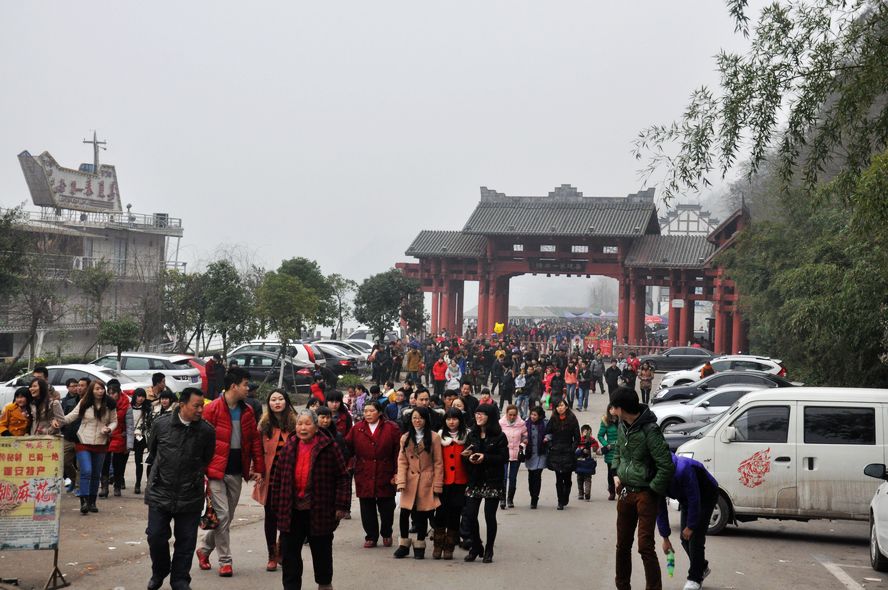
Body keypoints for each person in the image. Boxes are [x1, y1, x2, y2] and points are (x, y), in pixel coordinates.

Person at [196, 367, 266, 577]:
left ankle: (204, 549)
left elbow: (254, 441)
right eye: (245, 384)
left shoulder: (248, 410)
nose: (248, 388)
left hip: (236, 470)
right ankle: (225, 562)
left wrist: (258, 468)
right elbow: (200, 440)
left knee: (226, 517)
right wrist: (202, 468)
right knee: (223, 515)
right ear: (234, 386)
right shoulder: (212, 409)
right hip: (215, 471)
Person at [270, 410, 351, 590]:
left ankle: (324, 584)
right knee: (290, 555)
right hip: (291, 510)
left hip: (320, 508)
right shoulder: (289, 447)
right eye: (299, 424)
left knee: (322, 551)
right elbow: (278, 478)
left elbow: (343, 477)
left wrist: (341, 505)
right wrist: (276, 505)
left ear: (316, 427)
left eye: (307, 424)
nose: (303, 428)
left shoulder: (329, 446)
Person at [144, 387, 215, 590]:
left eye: (202, 406)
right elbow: (153, 450)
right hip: (160, 490)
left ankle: (180, 580)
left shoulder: (206, 431)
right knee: (156, 536)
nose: (200, 410)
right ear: (182, 405)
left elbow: (206, 458)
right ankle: (160, 571)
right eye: (196, 406)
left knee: (186, 541)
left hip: (190, 493)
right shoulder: (161, 424)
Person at [611, 386, 675, 590]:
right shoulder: (622, 425)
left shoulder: (650, 430)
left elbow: (666, 465)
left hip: (645, 494)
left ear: (621, 408)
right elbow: (618, 450)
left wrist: (652, 490)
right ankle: (622, 586)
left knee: (645, 547)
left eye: (614, 406)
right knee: (622, 545)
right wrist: (616, 472)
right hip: (625, 491)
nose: (611, 410)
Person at [657, 453, 719, 590]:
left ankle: (695, 579)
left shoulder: (683, 469)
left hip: (705, 495)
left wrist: (691, 526)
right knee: (684, 538)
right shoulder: (654, 477)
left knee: (695, 537)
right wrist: (665, 538)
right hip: (685, 498)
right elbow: (660, 509)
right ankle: (701, 567)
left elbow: (694, 499)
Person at [252, 389, 298, 572]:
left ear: (286, 401)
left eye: (280, 399)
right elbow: (256, 451)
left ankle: (281, 548)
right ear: (268, 403)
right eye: (273, 400)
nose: (277, 402)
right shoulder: (263, 426)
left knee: (288, 516)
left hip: (290, 478)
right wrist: (255, 470)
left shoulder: (295, 424)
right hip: (270, 478)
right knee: (270, 518)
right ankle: (272, 554)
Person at [346, 400, 401, 549]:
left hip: (385, 469)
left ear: (380, 412)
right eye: (366, 411)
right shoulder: (357, 428)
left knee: (387, 505)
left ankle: (386, 532)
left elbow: (398, 452)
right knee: (366, 505)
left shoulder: (391, 428)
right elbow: (347, 448)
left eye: (372, 411)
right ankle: (371, 536)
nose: (368, 414)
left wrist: (397, 472)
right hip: (364, 470)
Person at [58, 380, 117, 514]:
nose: (100, 391)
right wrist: (59, 421)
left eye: (102, 389)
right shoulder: (84, 402)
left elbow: (114, 421)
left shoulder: (110, 404)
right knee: (86, 471)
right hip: (83, 441)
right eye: (97, 389)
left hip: (101, 442)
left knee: (96, 474)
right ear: (91, 390)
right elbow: (71, 417)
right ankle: (83, 501)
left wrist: (109, 429)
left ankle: (92, 501)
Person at [394, 406, 444, 559]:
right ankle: (403, 545)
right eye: (414, 418)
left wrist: (437, 484)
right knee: (404, 513)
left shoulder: (434, 437)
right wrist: (401, 481)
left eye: (420, 418)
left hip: (426, 479)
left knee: (422, 513)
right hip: (409, 479)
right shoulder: (405, 437)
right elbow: (402, 461)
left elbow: (438, 463)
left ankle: (420, 544)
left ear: (426, 419)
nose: (417, 421)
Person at [462, 404, 508, 563]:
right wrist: (467, 457)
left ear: (490, 417)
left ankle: (489, 549)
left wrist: (485, 457)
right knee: (470, 515)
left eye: (482, 414)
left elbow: (503, 458)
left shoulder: (499, 436)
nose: (478, 416)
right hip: (475, 479)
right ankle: (476, 546)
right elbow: (466, 455)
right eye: (477, 414)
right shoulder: (472, 435)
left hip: (492, 481)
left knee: (490, 516)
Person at [433, 408, 468, 560]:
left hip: (461, 481)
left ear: (460, 420)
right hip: (443, 481)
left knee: (455, 514)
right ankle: (438, 544)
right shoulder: (439, 437)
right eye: (448, 419)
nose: (451, 422)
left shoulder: (467, 436)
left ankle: (449, 546)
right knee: (440, 513)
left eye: (454, 419)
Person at [545, 398, 580, 510]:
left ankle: (566, 496)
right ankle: (560, 501)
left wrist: (572, 449)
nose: (560, 408)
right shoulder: (553, 419)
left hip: (568, 451)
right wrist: (550, 445)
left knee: (567, 478)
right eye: (558, 406)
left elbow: (577, 437)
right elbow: (547, 433)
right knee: (559, 478)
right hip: (556, 451)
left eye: (562, 405)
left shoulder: (572, 419)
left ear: (566, 407)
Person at [107, 381, 134, 497]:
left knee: (119, 464)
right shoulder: (104, 404)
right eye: (109, 393)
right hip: (107, 435)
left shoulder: (126, 405)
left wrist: (129, 445)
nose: (111, 395)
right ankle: (105, 486)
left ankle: (117, 485)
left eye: (113, 393)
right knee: (105, 463)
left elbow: (130, 426)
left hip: (121, 437)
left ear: (118, 393)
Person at [498, 405, 527, 510]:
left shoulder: (521, 424)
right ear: (506, 414)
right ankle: (502, 499)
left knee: (513, 478)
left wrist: (522, 445)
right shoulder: (500, 423)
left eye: (514, 415)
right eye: (510, 415)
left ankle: (510, 499)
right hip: (504, 454)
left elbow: (525, 437)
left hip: (516, 454)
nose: (512, 417)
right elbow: (496, 437)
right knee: (503, 477)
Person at [524, 406, 547, 509]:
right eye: (531, 414)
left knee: (537, 475)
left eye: (535, 415)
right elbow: (522, 434)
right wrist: (524, 439)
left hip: (540, 453)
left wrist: (547, 438)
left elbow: (551, 433)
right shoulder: (526, 423)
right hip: (530, 453)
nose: (532, 417)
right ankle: (532, 494)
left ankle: (535, 498)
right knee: (531, 476)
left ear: (540, 416)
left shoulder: (545, 423)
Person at [60, 378, 81, 491]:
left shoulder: (84, 400)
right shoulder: (65, 401)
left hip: (81, 437)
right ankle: (74, 479)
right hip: (68, 436)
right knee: (64, 462)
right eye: (73, 386)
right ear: (67, 387)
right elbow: (63, 417)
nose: (76, 388)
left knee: (80, 464)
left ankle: (79, 486)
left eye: (77, 385)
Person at [598, 403, 620, 501]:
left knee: (621, 471)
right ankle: (612, 491)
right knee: (611, 472)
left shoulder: (622, 420)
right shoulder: (605, 421)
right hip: (610, 450)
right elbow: (600, 435)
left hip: (621, 449)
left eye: (614, 408)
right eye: (610, 409)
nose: (612, 410)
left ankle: (620, 491)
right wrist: (606, 444)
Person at [131, 388, 150, 495]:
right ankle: (120, 481)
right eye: (139, 396)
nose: (141, 398)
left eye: (143, 396)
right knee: (122, 459)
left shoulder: (147, 409)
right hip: (129, 436)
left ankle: (138, 483)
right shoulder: (129, 407)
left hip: (140, 438)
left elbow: (147, 424)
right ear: (135, 396)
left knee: (139, 462)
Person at [575, 424, 599, 501]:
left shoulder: (593, 442)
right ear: (581, 433)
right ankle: (581, 493)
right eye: (585, 432)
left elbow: (595, 453)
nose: (587, 434)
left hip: (588, 464)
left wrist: (594, 462)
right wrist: (582, 450)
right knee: (580, 480)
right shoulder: (579, 442)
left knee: (587, 480)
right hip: (579, 464)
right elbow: (575, 452)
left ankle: (587, 493)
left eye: (589, 432)